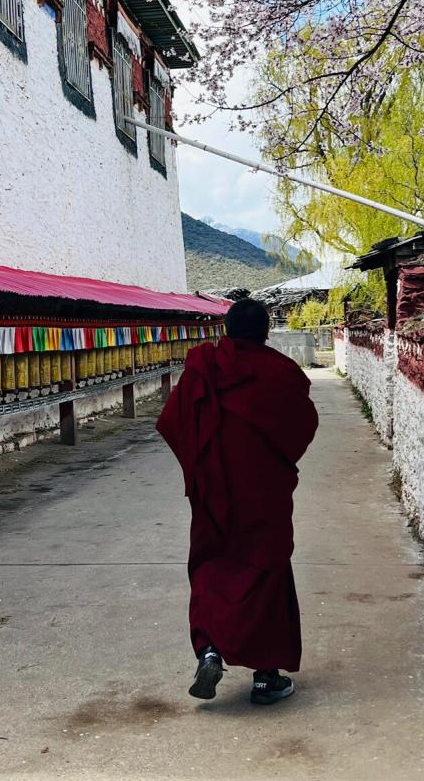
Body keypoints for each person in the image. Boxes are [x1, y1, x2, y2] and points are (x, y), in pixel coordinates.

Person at [157, 298, 318, 705]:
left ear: (226, 329)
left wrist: (200, 468)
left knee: (212, 567)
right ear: (266, 332)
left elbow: (172, 423)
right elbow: (304, 423)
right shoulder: (281, 372)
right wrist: (276, 459)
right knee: (267, 570)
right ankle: (266, 676)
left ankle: (209, 649)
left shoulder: (203, 368)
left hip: (213, 492)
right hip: (263, 492)